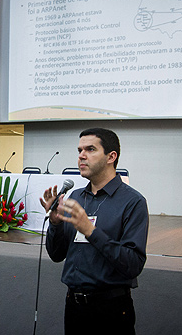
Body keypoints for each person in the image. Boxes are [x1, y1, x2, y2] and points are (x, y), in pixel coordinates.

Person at [40, 127, 149, 335]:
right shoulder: (76, 198)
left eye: (90, 149)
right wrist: (54, 224)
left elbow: (133, 264)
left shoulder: (133, 202)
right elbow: (56, 254)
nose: (81, 155)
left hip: (111, 310)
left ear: (111, 156)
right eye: (79, 150)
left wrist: (91, 231)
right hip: (74, 306)